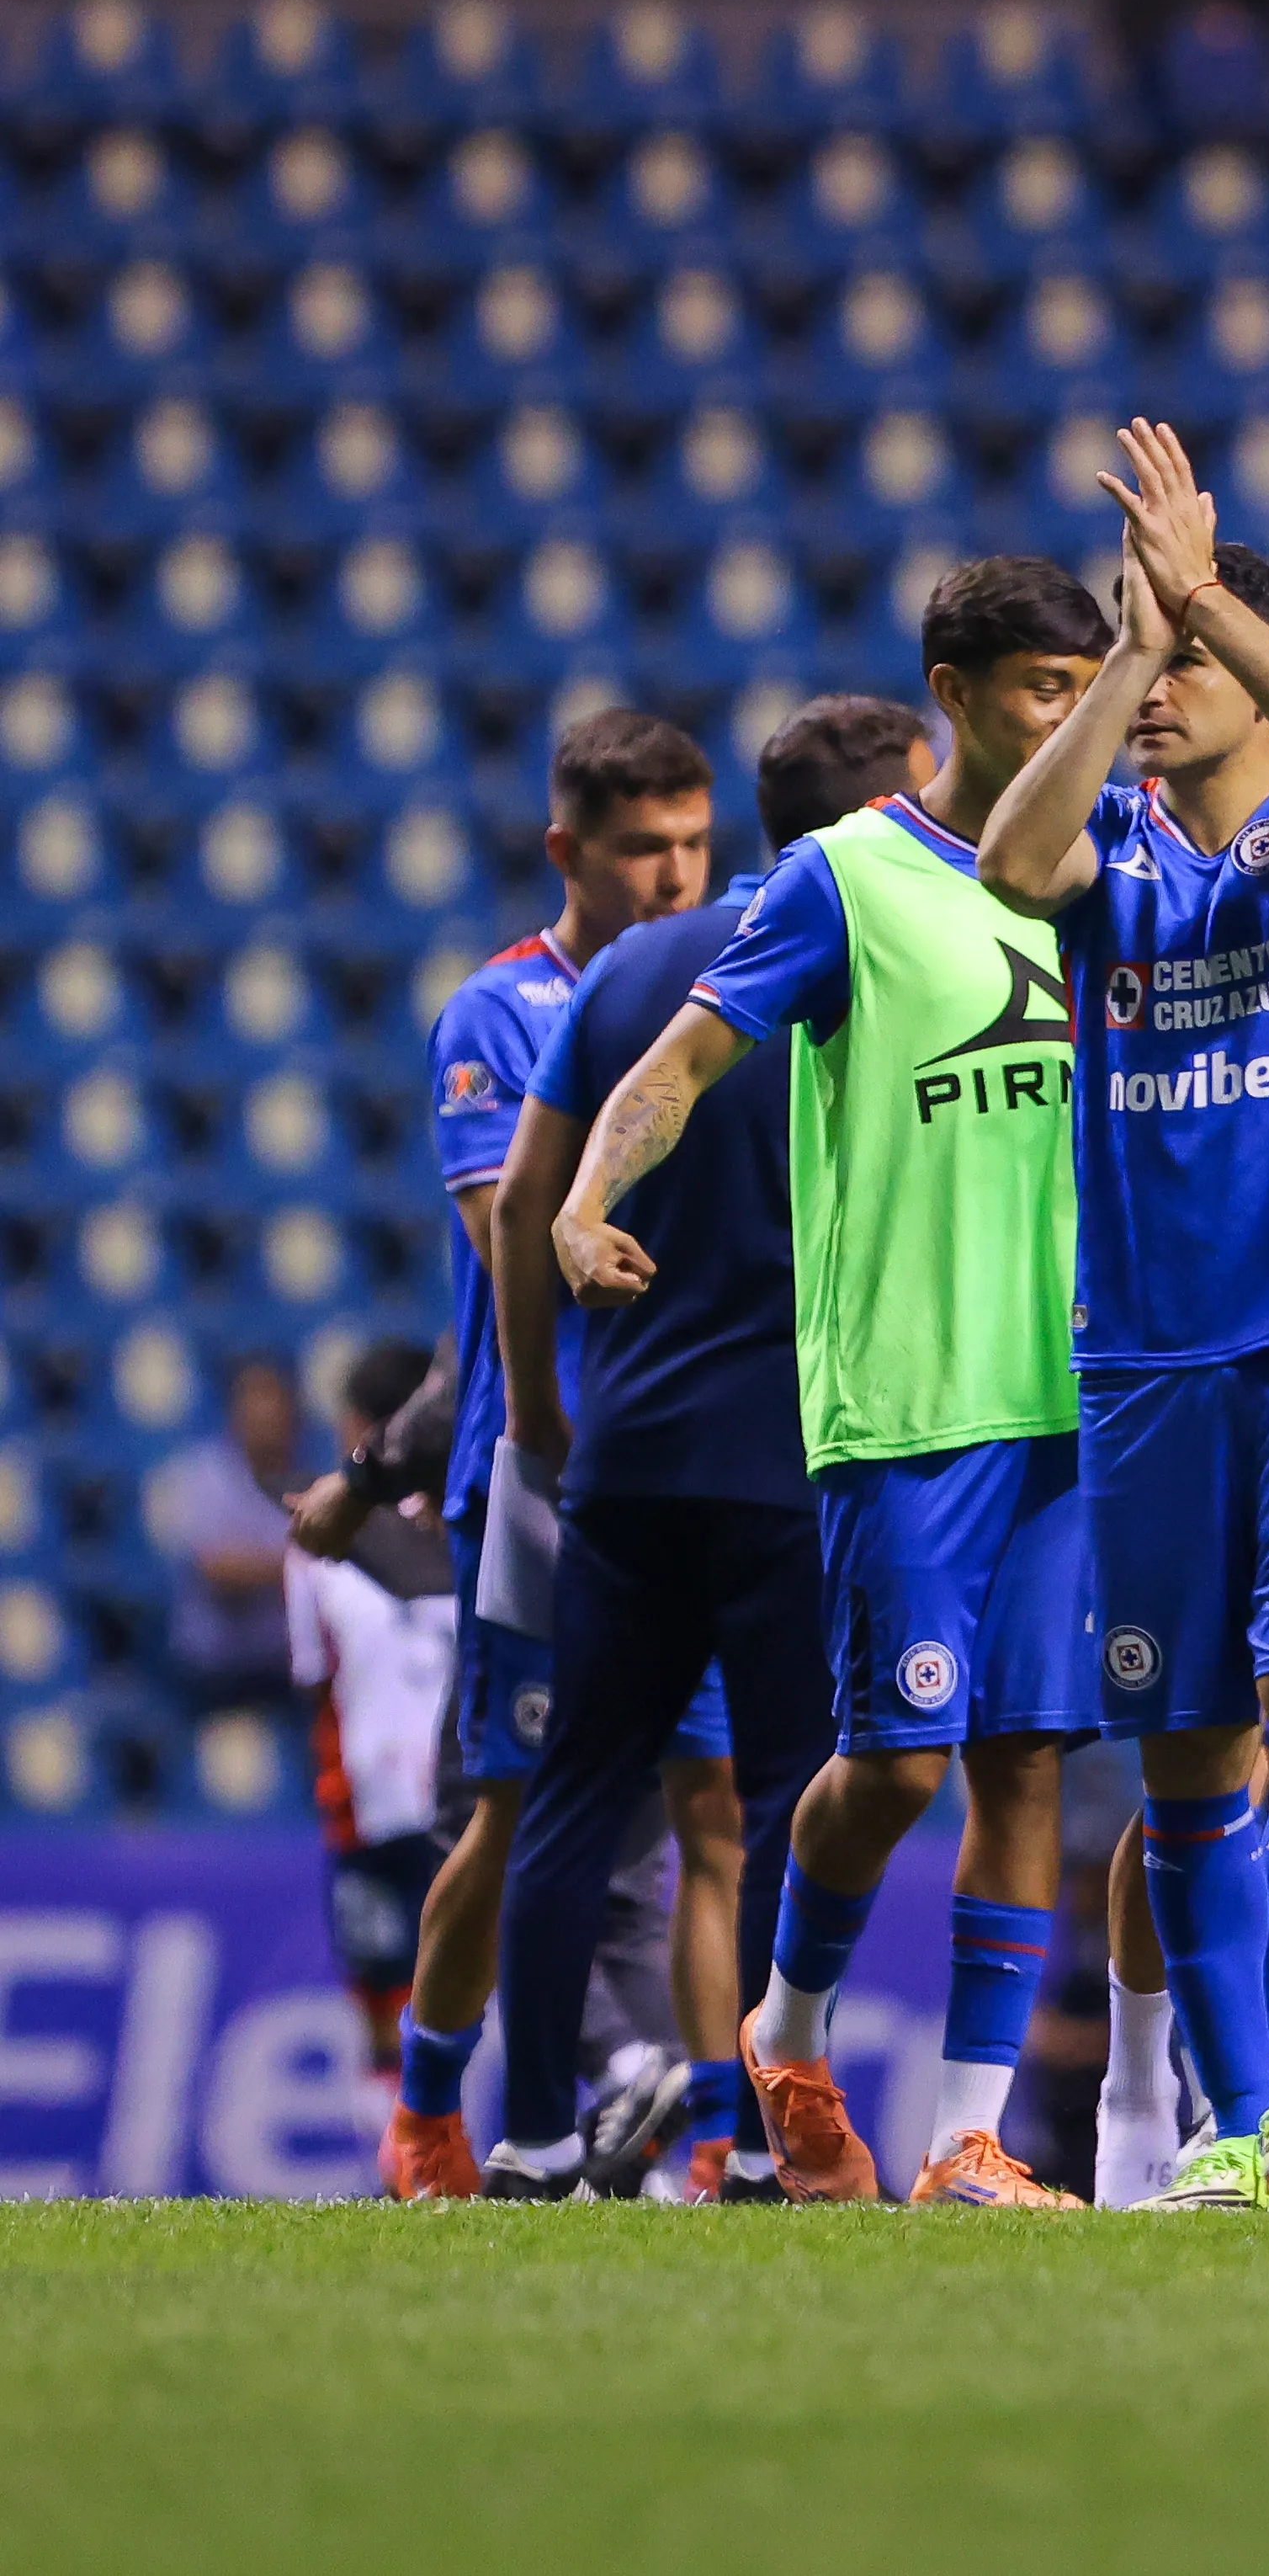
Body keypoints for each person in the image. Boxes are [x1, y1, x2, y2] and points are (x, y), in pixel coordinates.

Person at [555, 558, 1123, 2210]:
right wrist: (589, 1198)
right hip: (909, 1390)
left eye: (1088, 683)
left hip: (1071, 1394)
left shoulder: (1107, 869)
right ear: (952, 691)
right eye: (1041, 685)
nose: (1070, 711)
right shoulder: (843, 880)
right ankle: (788, 2035)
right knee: (897, 1760)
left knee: (1027, 1756)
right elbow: (681, 1061)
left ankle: (962, 2138)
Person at [980, 423, 1269, 2215]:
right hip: (1150, 1362)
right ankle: (1241, 2119)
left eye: (1171, 660)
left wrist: (1211, 613)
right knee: (1180, 1754)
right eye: (1131, 655)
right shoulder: (1110, 851)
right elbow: (1014, 867)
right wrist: (1138, 644)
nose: (1146, 684)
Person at [479, 698, 923, 2198]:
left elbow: (529, 1194)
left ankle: (533, 2131)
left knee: (578, 1793)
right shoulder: (881, 949)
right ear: (878, 817)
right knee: (800, 1793)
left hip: (629, 1454)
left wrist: (541, 1402)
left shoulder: (626, 971)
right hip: (800, 1456)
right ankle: (759, 2142)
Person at [378, 705, 718, 2201]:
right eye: (643, 847)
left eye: (696, 843)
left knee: (714, 1802)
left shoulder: (731, 995)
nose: (673, 873)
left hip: (684, 1451)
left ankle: (724, 2138)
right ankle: (434, 2104)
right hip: (538, 1463)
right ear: (566, 848)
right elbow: (504, 1233)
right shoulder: (499, 1012)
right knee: (518, 1804)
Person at [286, 1339, 457, 2110]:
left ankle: (404, 2164)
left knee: (385, 2006)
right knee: (481, 1984)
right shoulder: (471, 1524)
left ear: (355, 1423)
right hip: (470, 1795)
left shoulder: (321, 1544)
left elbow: (314, 1677)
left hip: (372, 1802)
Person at [146, 1358, 306, 1711]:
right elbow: (218, 1569)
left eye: (273, 1398)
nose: (264, 1413)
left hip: (287, 1670)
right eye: (254, 1398)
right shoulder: (202, 1476)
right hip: (214, 1675)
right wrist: (298, 1566)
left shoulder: (310, 1477)